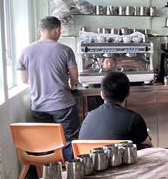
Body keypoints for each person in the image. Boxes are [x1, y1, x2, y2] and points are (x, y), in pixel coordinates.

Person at [17, 16, 80, 160]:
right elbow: (74, 78)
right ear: (57, 30)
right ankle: (70, 168)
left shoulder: (25, 51)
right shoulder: (65, 50)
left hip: (38, 106)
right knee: (69, 140)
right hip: (63, 105)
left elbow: (24, 80)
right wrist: (71, 86)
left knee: (45, 142)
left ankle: (48, 169)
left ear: (39, 31)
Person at [79, 72, 152, 149]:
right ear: (128, 94)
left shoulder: (89, 117)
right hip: (118, 156)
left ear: (102, 94)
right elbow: (149, 145)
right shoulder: (133, 119)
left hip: (87, 156)